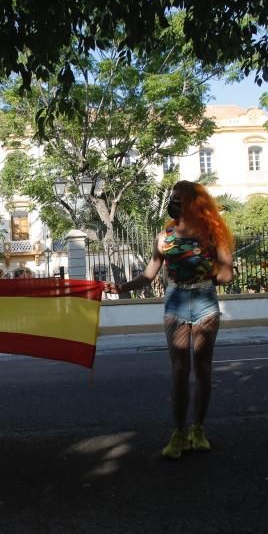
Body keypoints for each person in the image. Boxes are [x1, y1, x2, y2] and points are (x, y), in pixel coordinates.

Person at [106, 181, 234, 459]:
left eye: (178, 198)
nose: (173, 202)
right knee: (178, 371)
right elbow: (148, 275)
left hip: (205, 303)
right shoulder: (164, 236)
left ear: (193, 202)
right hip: (175, 303)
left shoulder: (213, 234)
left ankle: (198, 429)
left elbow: (227, 275)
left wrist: (206, 269)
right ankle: (179, 433)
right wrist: (122, 288)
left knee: (202, 369)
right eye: (172, 198)